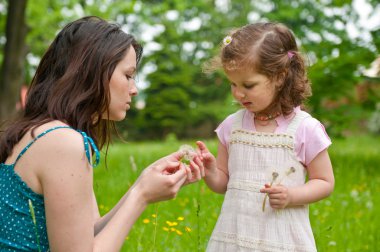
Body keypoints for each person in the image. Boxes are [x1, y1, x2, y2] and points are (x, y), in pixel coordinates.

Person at [0, 16, 204, 251]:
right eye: (127, 75)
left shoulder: (44, 132)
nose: (134, 89)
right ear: (91, 72)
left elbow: (86, 233)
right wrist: (141, 196)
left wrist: (142, 183)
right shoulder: (62, 142)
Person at [196, 22, 334, 251]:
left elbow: (325, 182)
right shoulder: (232, 127)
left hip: (282, 240)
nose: (238, 93)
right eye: (233, 84)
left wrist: (292, 195)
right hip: (234, 237)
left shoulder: (305, 129)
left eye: (248, 85)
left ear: (280, 77)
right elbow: (223, 184)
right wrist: (210, 171)